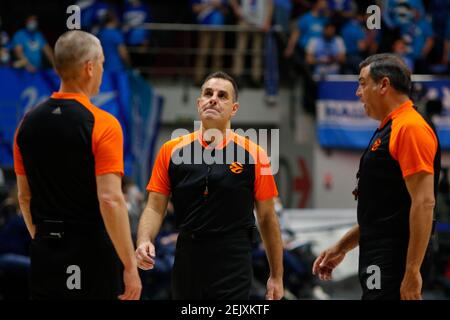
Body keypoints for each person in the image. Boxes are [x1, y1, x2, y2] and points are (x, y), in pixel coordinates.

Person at [13, 30, 141, 300]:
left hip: (46, 251)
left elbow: (24, 197)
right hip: (91, 250)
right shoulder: (103, 124)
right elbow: (110, 200)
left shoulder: (26, 124)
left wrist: (45, 238)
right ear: (90, 67)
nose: (103, 70)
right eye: (103, 63)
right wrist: (129, 265)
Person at [135, 71, 284, 300]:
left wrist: (277, 275)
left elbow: (267, 218)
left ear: (234, 108)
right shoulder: (171, 151)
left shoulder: (255, 154)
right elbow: (155, 206)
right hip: (188, 256)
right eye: (208, 93)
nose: (213, 98)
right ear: (199, 103)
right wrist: (144, 239)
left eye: (222, 95)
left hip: (233, 258)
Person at [312, 53, 441, 300]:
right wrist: (342, 246)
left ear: (383, 84)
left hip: (395, 260)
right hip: (379, 254)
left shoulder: (410, 127)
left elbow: (424, 203)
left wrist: (412, 270)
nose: (358, 92)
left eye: (362, 83)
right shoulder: (389, 128)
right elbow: (385, 214)